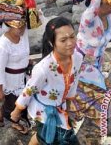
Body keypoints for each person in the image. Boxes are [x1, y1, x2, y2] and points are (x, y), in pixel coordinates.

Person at [10, 17, 82, 145]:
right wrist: (17, 112)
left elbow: (73, 82)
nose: (70, 43)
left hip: (61, 107)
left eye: (72, 37)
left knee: (43, 137)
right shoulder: (43, 68)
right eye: (63, 40)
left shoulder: (77, 58)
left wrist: (69, 106)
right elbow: (29, 90)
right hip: (44, 113)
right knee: (58, 140)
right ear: (51, 42)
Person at [68, 0, 111, 144]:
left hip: (94, 69)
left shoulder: (107, 16)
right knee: (94, 107)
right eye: (107, 1)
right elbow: (95, 4)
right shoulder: (88, 17)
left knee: (95, 108)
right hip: (81, 70)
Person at [0, 13, 30, 134]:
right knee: (11, 104)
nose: (22, 29)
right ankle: (1, 112)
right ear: (9, 25)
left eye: (23, 26)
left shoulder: (23, 35)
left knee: (24, 101)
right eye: (19, 27)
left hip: (25, 76)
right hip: (10, 80)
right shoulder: (2, 44)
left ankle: (16, 119)